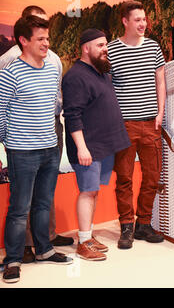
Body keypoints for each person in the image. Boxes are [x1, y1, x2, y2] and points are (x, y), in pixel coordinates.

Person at [0, 15, 73, 284]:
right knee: (20, 208)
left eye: (48, 38)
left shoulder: (53, 68)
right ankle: (13, 260)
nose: (47, 43)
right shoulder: (10, 73)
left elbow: (55, 105)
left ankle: (44, 250)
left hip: (50, 148)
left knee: (43, 203)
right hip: (21, 152)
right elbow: (1, 112)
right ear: (23, 41)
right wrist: (9, 141)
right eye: (40, 39)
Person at [62, 29, 131, 261]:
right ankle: (82, 243)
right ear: (86, 48)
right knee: (87, 192)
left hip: (104, 146)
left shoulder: (100, 72)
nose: (105, 49)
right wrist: (81, 147)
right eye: (100, 45)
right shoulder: (75, 77)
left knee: (94, 192)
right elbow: (72, 115)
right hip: (88, 147)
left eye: (106, 45)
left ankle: (88, 236)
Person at [108, 0, 166, 249]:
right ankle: (126, 227)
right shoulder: (111, 50)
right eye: (137, 20)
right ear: (125, 21)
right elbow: (106, 89)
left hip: (151, 123)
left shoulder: (153, 47)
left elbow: (160, 82)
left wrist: (160, 113)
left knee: (152, 176)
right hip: (124, 126)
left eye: (144, 19)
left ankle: (144, 223)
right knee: (124, 178)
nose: (143, 24)